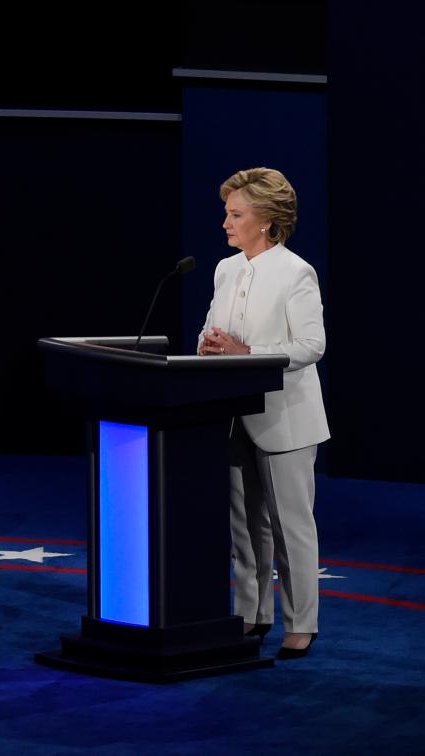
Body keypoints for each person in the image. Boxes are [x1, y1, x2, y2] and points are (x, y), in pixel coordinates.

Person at [197, 167, 328, 659]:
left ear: (267, 222)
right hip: (234, 413)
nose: (226, 224)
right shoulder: (225, 270)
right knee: (246, 524)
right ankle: (253, 613)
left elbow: (312, 345)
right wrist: (209, 345)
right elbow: (212, 331)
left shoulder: (296, 272)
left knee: (289, 524)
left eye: (236, 215)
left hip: (286, 418)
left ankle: (302, 622)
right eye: (227, 214)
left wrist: (245, 352)